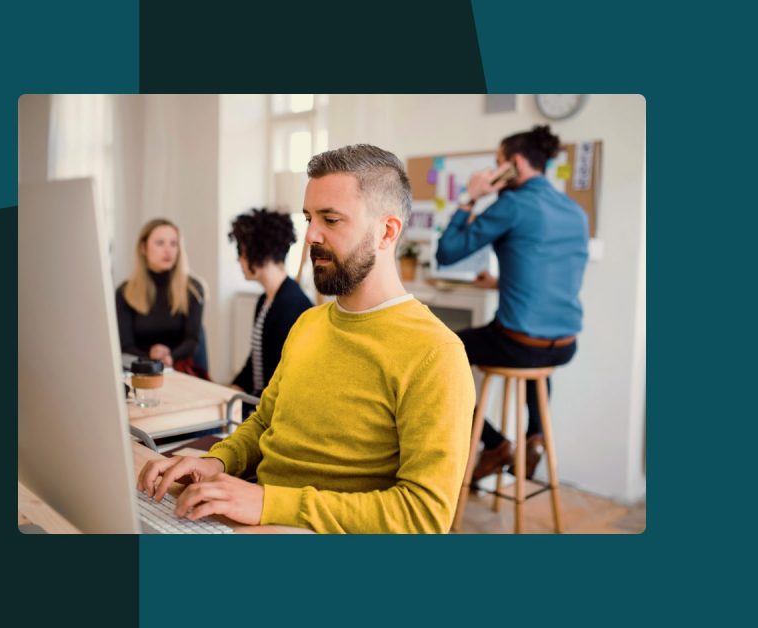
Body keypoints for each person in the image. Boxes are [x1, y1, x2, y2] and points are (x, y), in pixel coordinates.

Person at [137, 144, 474, 533]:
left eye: (331, 220)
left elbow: (423, 516)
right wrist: (215, 462)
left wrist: (270, 503)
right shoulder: (309, 324)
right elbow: (264, 422)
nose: (311, 236)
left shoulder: (435, 353)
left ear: (387, 231)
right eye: (309, 218)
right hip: (263, 515)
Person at [435, 125, 589, 485]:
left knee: (436, 353)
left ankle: (495, 444)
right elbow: (554, 276)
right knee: (536, 354)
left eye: (497, 163)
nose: (493, 171)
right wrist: (502, 283)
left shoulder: (512, 205)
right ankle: (534, 437)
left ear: (515, 163)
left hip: (518, 344)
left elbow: (447, 252)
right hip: (565, 346)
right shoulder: (573, 211)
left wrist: (470, 197)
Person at [227, 208, 313, 410]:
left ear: (258, 253)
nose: (239, 260)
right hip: (258, 403)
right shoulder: (266, 300)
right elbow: (255, 361)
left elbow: (279, 381)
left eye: (241, 251)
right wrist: (231, 388)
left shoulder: (290, 306)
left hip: (272, 411)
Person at [115, 218, 207, 378]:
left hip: (180, 369)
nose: (168, 250)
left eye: (173, 243)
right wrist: (150, 355)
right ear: (143, 248)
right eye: (160, 243)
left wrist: (169, 357)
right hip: (139, 370)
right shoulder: (125, 292)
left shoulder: (193, 288)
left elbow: (192, 340)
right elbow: (125, 345)